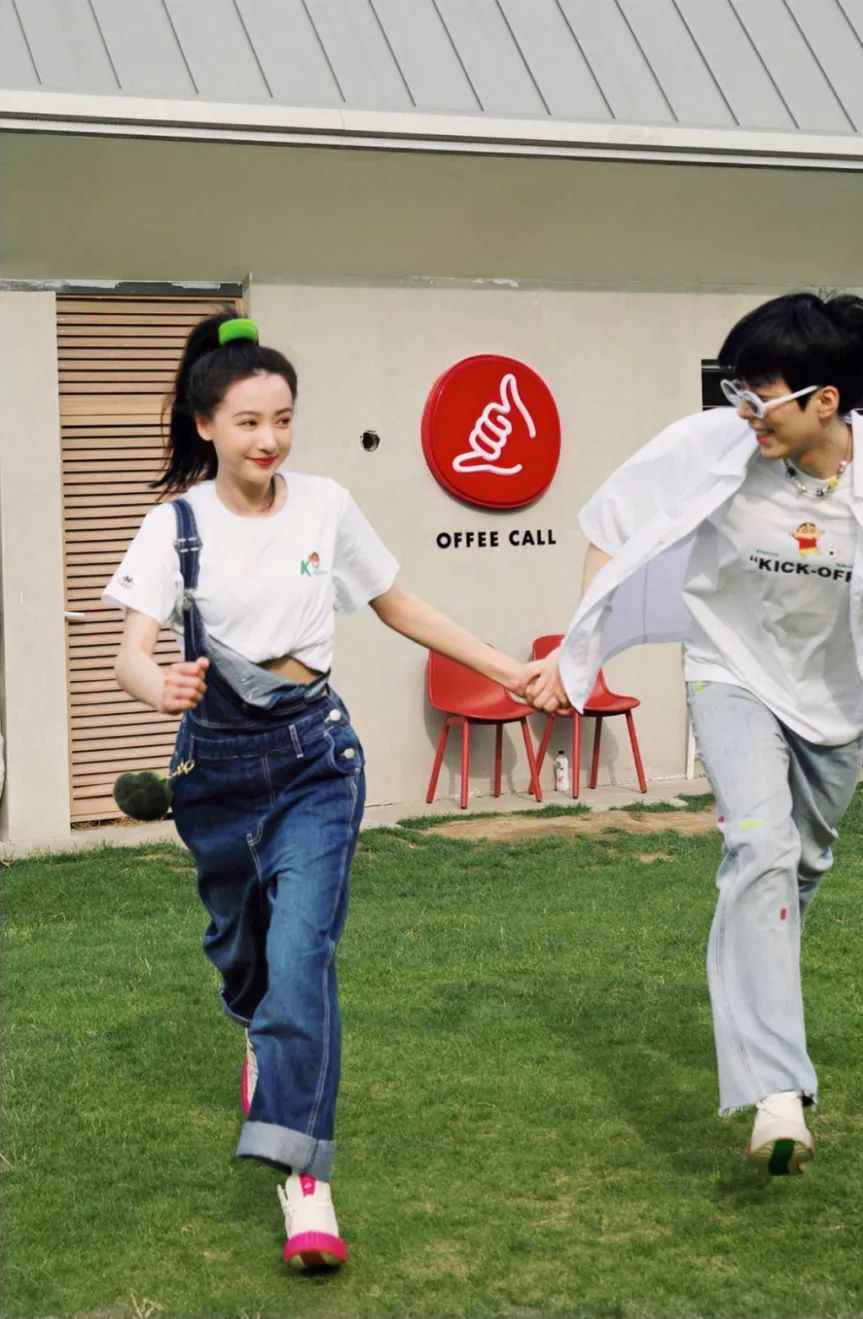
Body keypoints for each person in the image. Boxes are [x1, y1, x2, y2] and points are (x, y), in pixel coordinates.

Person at [525, 292, 863, 1175]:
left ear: (826, 400)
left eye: (762, 396)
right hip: (728, 666)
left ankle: (757, 994)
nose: (745, 411)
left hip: (840, 693)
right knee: (759, 848)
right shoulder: (710, 446)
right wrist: (580, 648)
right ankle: (775, 1090)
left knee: (795, 870)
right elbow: (611, 528)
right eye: (738, 390)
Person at [104, 314, 539, 1270]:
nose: (270, 440)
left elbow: (398, 602)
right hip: (215, 770)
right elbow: (131, 648)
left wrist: (506, 666)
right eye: (249, 421)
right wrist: (155, 684)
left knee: (304, 953)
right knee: (244, 955)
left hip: (314, 760)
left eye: (284, 419)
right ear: (206, 424)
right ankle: (262, 1029)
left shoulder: (326, 506)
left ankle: (305, 1179)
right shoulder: (176, 525)